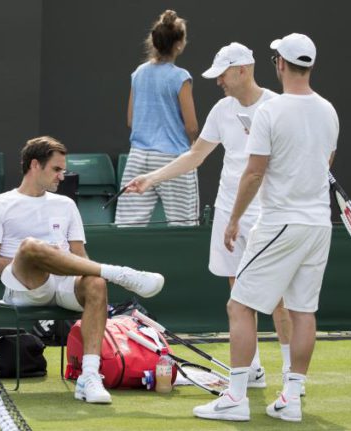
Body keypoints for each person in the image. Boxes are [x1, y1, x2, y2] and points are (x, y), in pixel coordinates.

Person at [122, 42, 295, 392]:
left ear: (243, 70)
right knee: (238, 290)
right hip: (229, 208)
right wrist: (152, 177)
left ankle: (292, 374)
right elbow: (196, 155)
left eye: (223, 74)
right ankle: (253, 369)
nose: (218, 82)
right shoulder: (221, 109)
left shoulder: (278, 107)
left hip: (270, 212)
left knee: (278, 295)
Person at [193, 33, 338, 422]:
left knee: (239, 304)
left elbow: (254, 173)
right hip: (318, 226)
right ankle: (291, 397)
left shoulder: (270, 113)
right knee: (302, 311)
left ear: (279, 64)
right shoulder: (329, 111)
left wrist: (236, 218)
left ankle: (236, 397)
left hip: (278, 222)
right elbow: (325, 163)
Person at [0, 136, 165, 405]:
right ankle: (117, 273)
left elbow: (80, 258)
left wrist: (66, 266)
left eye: (63, 170)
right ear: (34, 165)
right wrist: (37, 259)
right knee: (31, 247)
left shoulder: (65, 205)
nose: (62, 176)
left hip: (64, 284)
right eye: (56, 169)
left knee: (96, 284)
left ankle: (89, 376)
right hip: (27, 286)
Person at [115, 9, 200, 227]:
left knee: (127, 227)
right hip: (174, 159)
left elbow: (131, 120)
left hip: (138, 157)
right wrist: (191, 146)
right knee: (184, 225)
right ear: (179, 44)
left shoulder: (139, 73)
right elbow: (191, 126)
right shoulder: (181, 77)